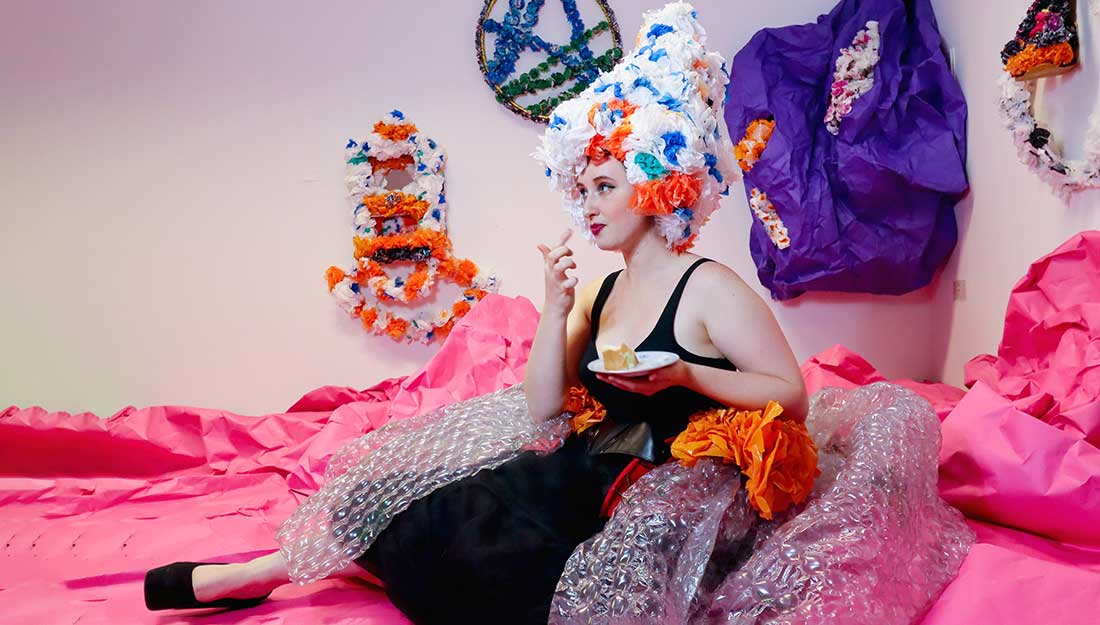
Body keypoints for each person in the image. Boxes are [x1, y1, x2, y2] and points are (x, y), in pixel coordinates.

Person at [144, 4, 969, 624]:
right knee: (409, 499)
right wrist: (555, 308)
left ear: (657, 186)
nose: (588, 204)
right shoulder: (603, 290)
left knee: (539, 579)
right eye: (581, 189)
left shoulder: (710, 286)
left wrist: (686, 372)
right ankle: (261, 571)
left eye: (603, 186)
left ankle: (291, 573)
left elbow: (787, 394)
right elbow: (543, 408)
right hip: (582, 468)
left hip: (674, 487)